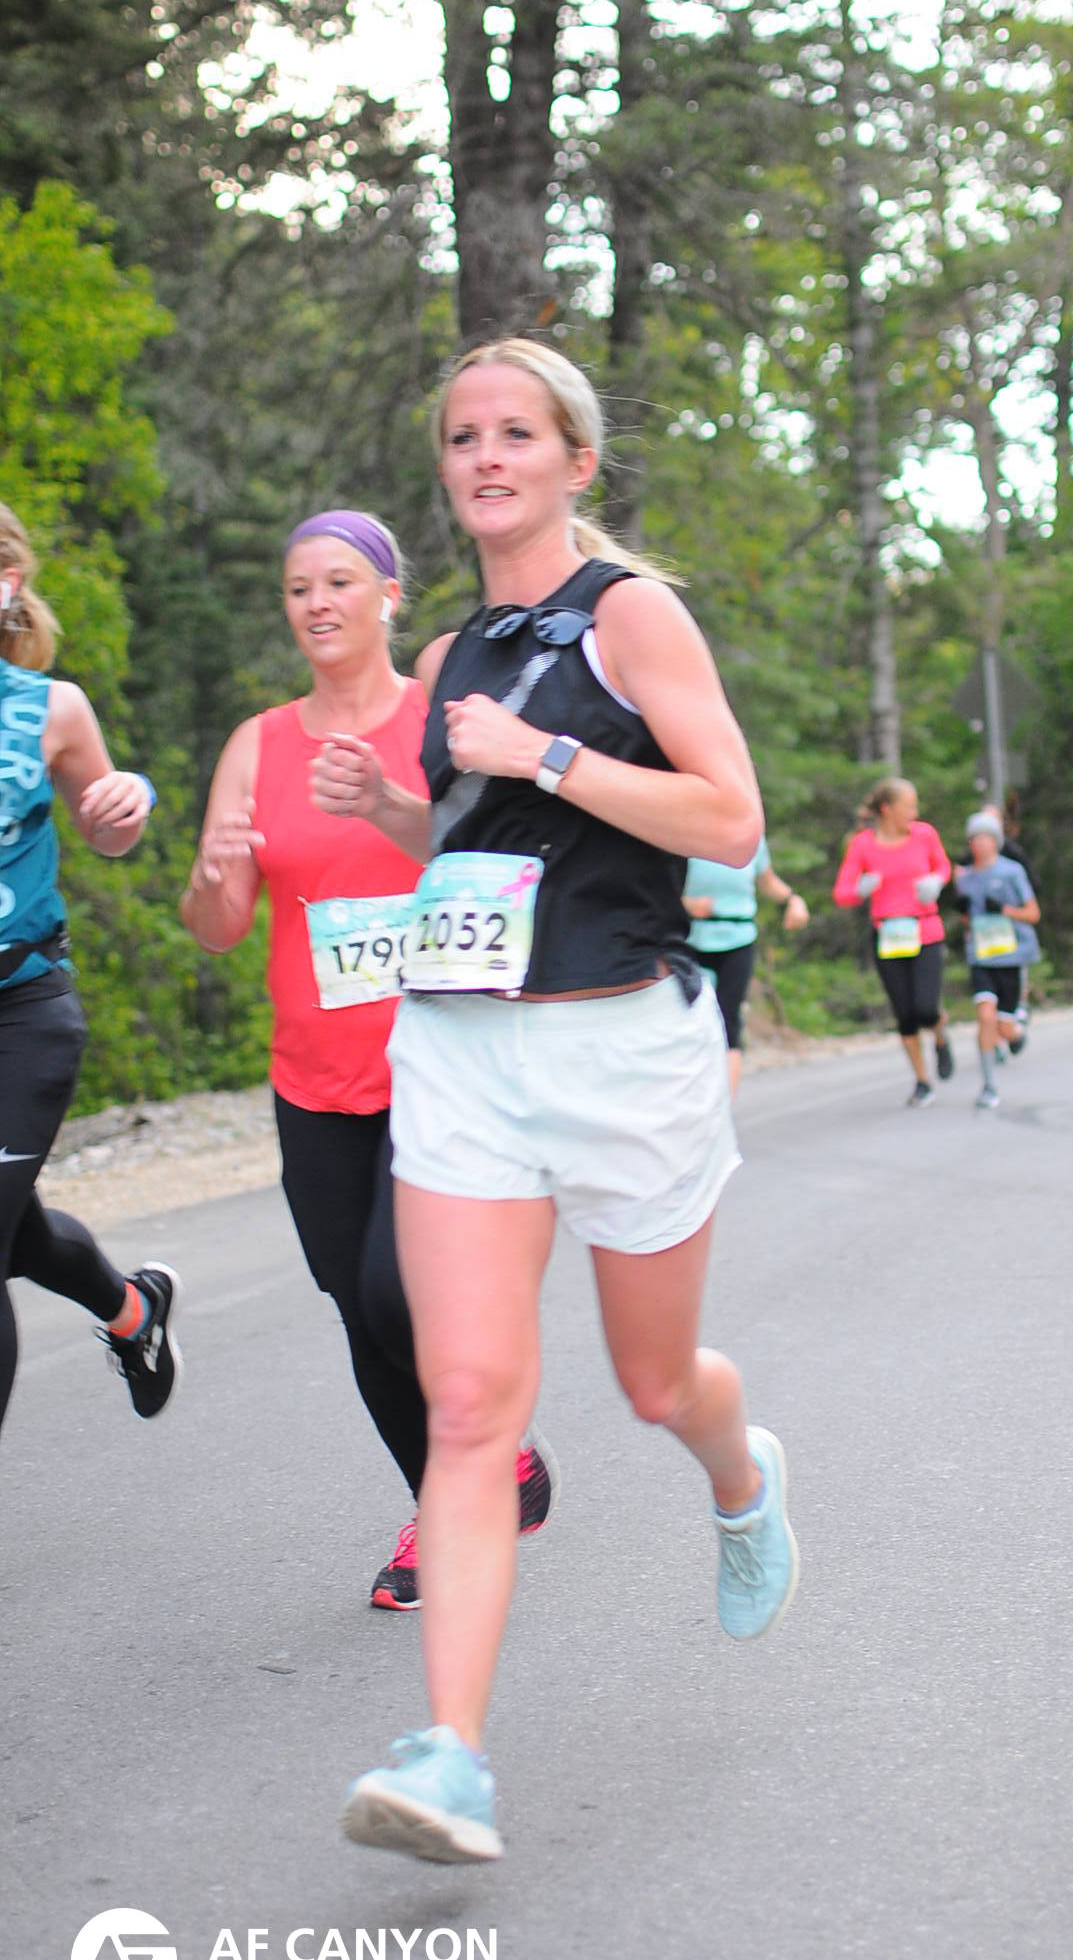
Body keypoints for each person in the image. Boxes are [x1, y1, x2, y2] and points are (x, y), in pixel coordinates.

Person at [333, 338, 797, 1863]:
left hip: (621, 1049)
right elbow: (478, 844)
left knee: (656, 1385)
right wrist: (395, 807)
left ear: (575, 460)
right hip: (464, 1049)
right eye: (464, 435)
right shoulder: (452, 653)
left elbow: (728, 819)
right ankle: (450, 1757)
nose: (486, 457)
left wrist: (543, 750)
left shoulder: (629, 616)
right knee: (471, 1406)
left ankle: (743, 1479)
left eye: (517, 434)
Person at [180, 507, 556, 1613]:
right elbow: (219, 925)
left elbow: (497, 855)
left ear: (389, 594)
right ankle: (459, 1497)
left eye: (340, 581)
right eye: (300, 587)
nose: (318, 603)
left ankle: (479, 1472)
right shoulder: (258, 744)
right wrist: (209, 879)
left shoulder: (440, 717)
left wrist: (392, 809)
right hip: (313, 1074)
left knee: (400, 1294)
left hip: (443, 1059)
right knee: (355, 1302)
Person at [0, 503, 181, 1442]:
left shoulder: (49, 708)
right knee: (16, 1236)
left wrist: (128, 799)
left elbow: (110, 828)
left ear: (8, 584)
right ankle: (132, 1309)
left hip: (21, 1012)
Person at [833, 778, 954, 1106]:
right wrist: (860, 889)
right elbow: (842, 892)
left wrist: (936, 881)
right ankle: (922, 1081)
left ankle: (940, 1033)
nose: (915, 812)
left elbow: (943, 866)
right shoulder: (863, 844)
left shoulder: (924, 835)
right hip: (888, 937)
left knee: (925, 1007)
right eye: (909, 806)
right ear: (887, 809)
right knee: (905, 1014)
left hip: (925, 931)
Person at [683, 840, 808, 1095]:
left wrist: (793, 900)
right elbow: (656, 887)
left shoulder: (749, 833)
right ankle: (693, 1096)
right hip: (690, 939)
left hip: (738, 938)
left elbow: (767, 880)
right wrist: (686, 904)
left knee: (729, 1020)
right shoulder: (685, 828)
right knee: (690, 1021)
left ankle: (724, 1106)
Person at [953, 812, 1041, 1110]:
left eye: (985, 837)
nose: (980, 843)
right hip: (981, 957)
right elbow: (969, 921)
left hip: (1010, 957)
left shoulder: (1012, 871)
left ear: (996, 841)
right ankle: (989, 1086)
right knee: (985, 1017)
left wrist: (1005, 910)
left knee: (1003, 1028)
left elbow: (1033, 914)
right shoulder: (965, 877)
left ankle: (1016, 1032)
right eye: (974, 838)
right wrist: (963, 911)